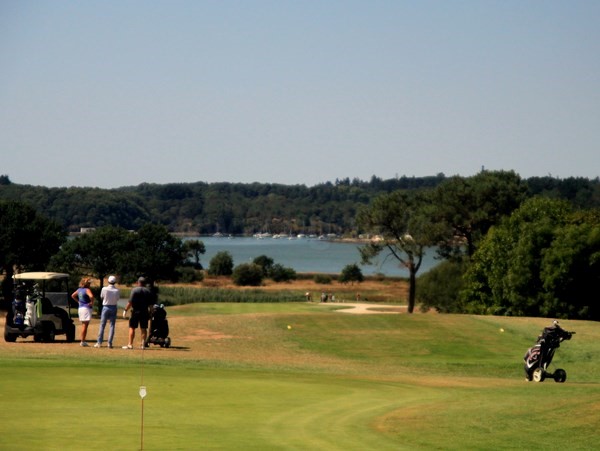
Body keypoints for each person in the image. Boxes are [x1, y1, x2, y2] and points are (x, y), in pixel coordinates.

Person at [122, 277, 154, 349]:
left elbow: (130, 302)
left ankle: (130, 344)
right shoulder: (148, 291)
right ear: (144, 283)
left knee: (132, 327)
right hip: (144, 311)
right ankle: (143, 345)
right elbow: (150, 305)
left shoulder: (134, 290)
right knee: (143, 328)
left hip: (135, 311)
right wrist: (151, 312)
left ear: (138, 282)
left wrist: (125, 310)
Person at [95, 275, 120, 348]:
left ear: (108, 281)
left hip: (105, 307)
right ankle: (109, 343)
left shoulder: (104, 289)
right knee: (112, 325)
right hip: (113, 307)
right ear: (114, 282)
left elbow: (101, 297)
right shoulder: (117, 290)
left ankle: (99, 342)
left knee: (102, 325)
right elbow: (117, 299)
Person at [71, 277, 94, 347]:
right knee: (85, 325)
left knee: (83, 324)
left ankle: (83, 340)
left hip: (80, 308)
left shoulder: (79, 290)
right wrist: (92, 302)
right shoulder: (87, 290)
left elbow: (73, 295)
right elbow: (91, 296)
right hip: (86, 308)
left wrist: (78, 301)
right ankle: (82, 341)